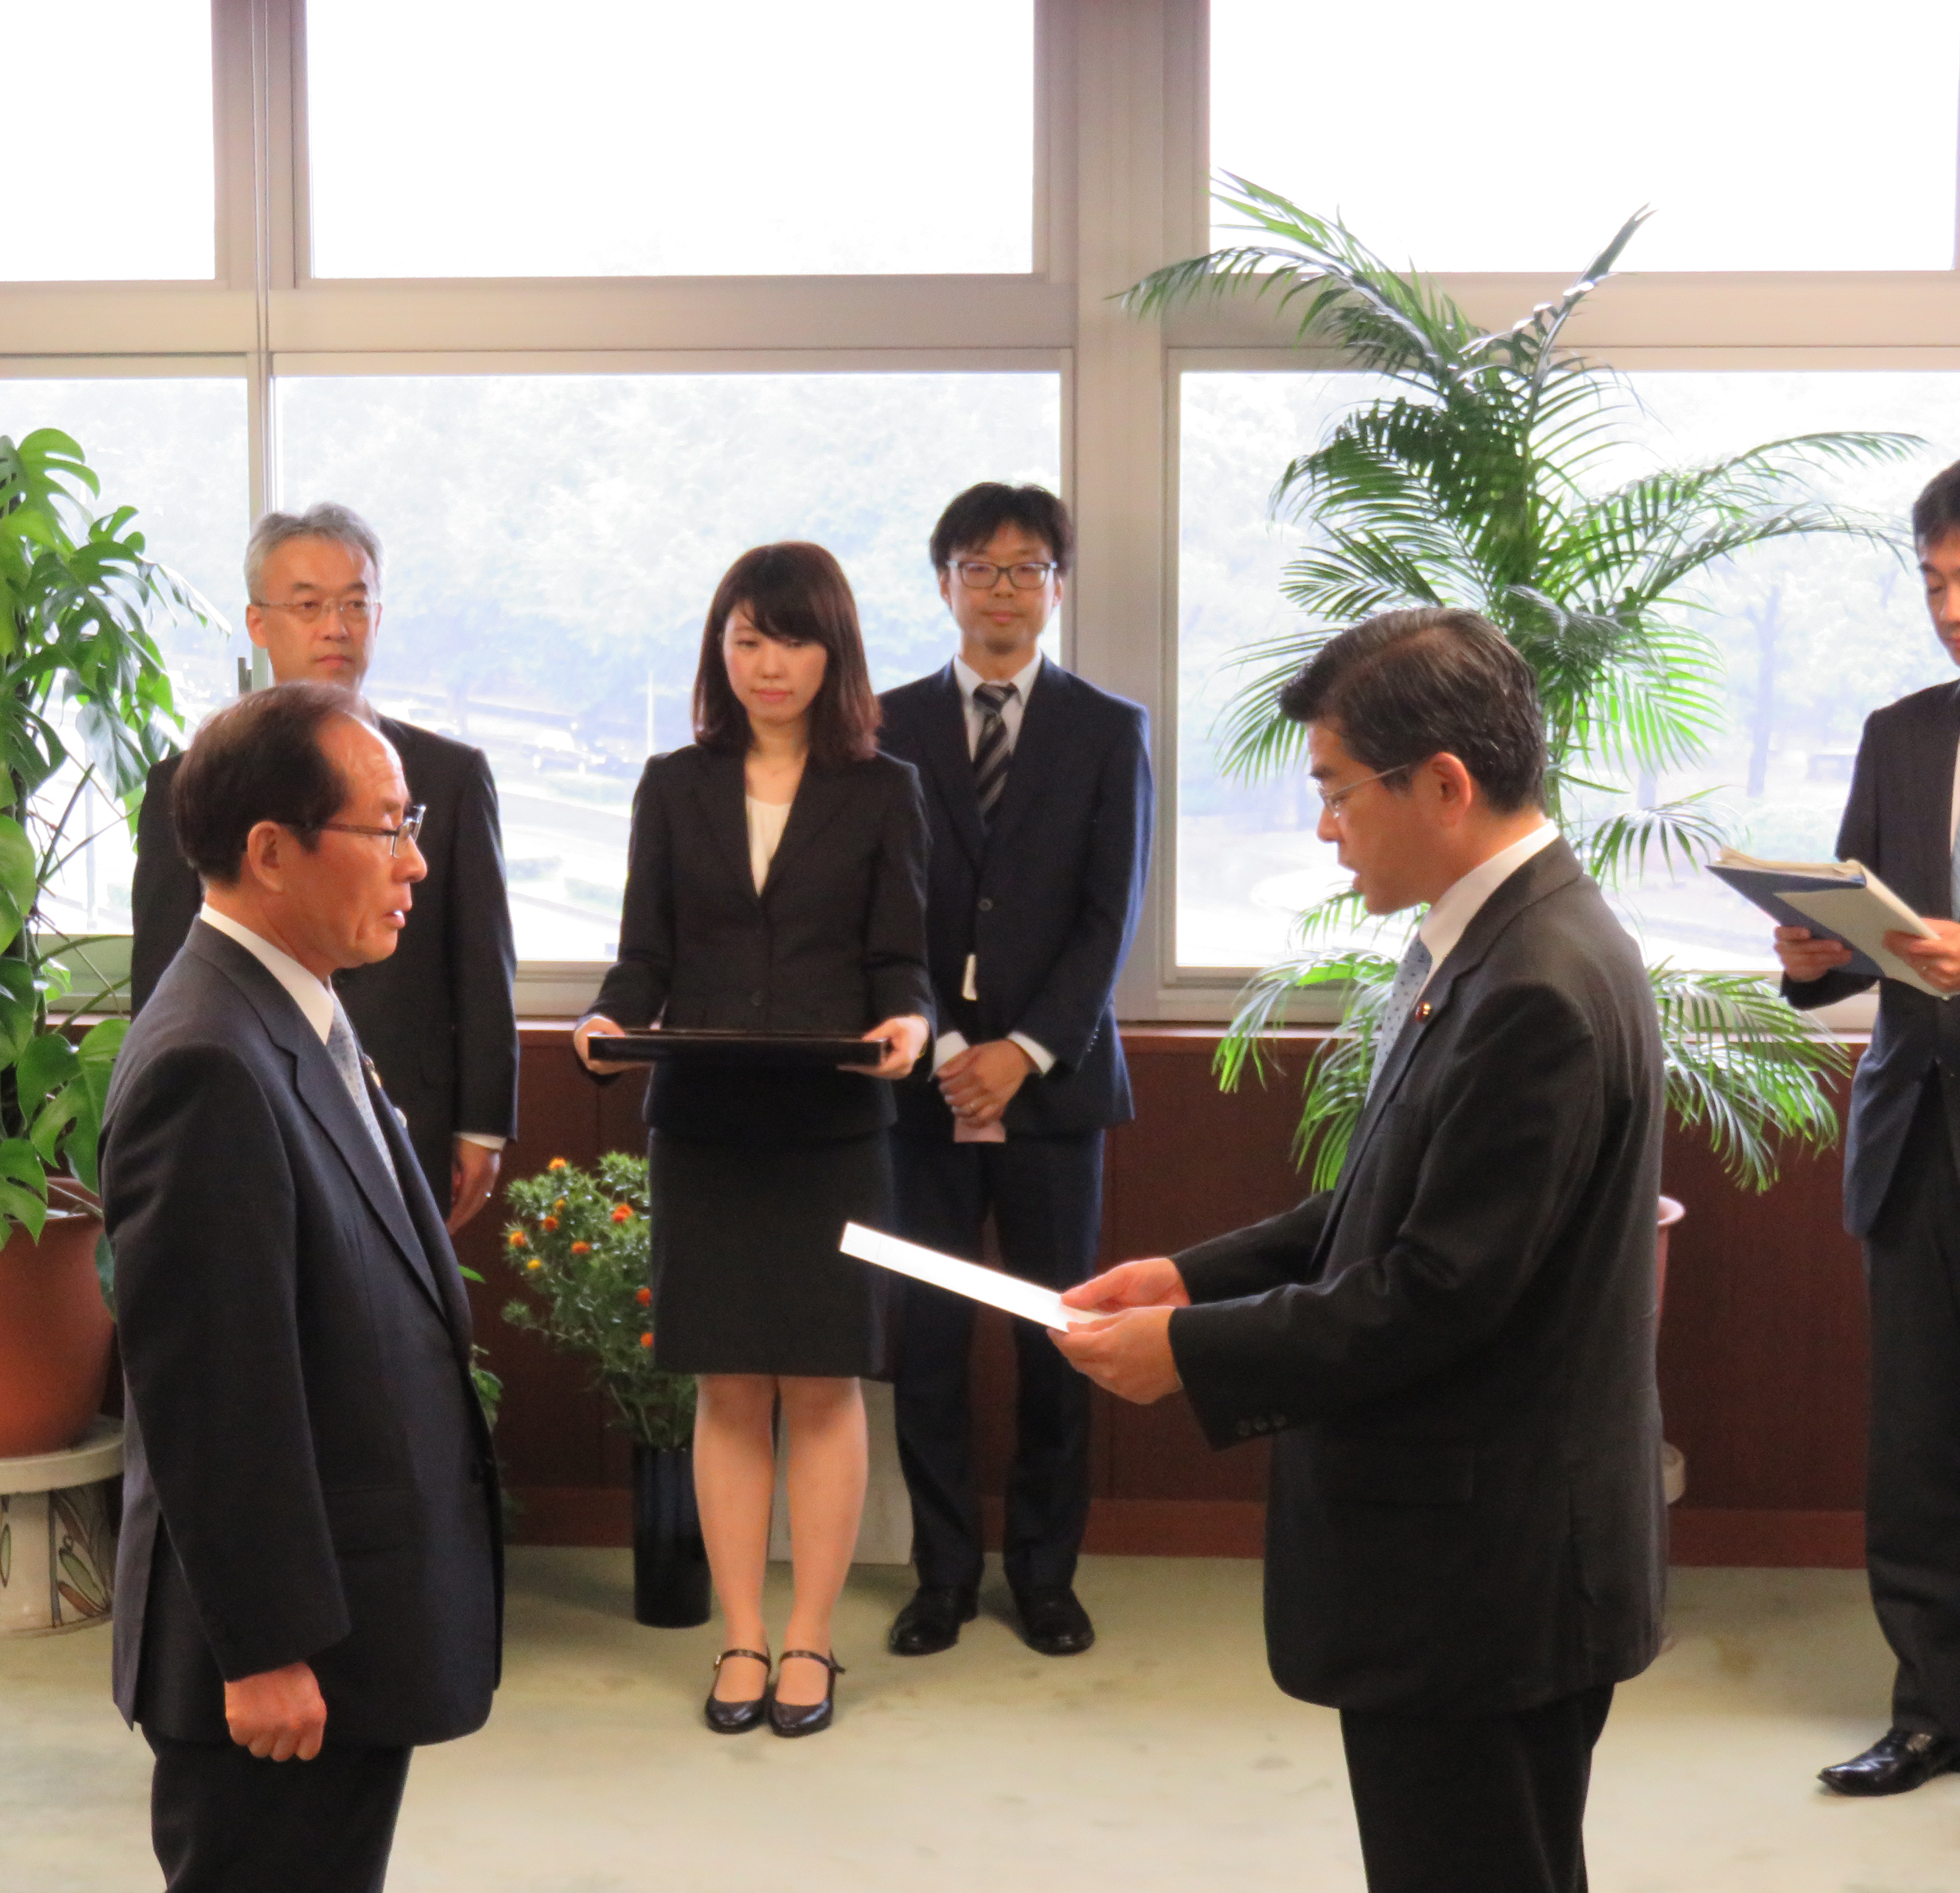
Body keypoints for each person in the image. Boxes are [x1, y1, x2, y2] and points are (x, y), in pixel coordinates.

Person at [1053, 608, 1665, 1893]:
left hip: (1484, 1574)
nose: (1325, 827)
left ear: (1443, 785)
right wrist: (1190, 1279)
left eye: (1337, 792)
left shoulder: (1538, 982)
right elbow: (1386, 1200)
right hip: (1472, 1556)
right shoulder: (1491, 937)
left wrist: (1191, 1353)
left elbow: (1436, 1291)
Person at [103, 682, 502, 1891]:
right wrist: (266, 1651)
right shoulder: (209, 1062)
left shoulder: (295, 1012)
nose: (416, 862)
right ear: (271, 852)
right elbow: (212, 1397)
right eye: (385, 829)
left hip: (350, 1615)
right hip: (285, 1655)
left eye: (411, 823)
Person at [572, 542, 933, 1738]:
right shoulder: (673, 785)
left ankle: (812, 1640)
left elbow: (903, 963)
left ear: (835, 651)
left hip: (835, 1125)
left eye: (790, 638)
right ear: (718, 650)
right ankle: (740, 1637)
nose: (766, 662)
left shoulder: (885, 790)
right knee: (728, 1385)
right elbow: (644, 957)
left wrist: (913, 1027)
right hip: (707, 1125)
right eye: (745, 638)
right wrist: (608, 1020)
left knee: (823, 1386)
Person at [1782, 450, 1960, 1838]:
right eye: (1933, 585)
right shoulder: (1900, 733)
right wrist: (1812, 957)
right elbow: (1861, 928)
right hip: (1906, 1146)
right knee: (1913, 1460)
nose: (1951, 611)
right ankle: (1937, 1710)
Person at [873, 482, 1150, 1661]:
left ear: (1057, 587)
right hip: (922, 1090)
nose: (1003, 589)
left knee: (1058, 1342)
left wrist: (1023, 1052)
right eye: (979, 568)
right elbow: (882, 909)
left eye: (1026, 567)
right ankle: (941, 1578)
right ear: (944, 583)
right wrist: (947, 1048)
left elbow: (1109, 916)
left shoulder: (1108, 729)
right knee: (928, 1344)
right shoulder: (883, 724)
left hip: (1056, 1092)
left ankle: (1045, 1577)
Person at [131, 504, 518, 1233]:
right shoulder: (193, 782)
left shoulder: (452, 776)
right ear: (258, 623)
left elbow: (482, 960)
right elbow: (165, 966)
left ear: (378, 616)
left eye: (354, 604)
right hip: (245, 1103)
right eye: (308, 606)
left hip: (406, 1104)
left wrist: (483, 1123)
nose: (335, 627)